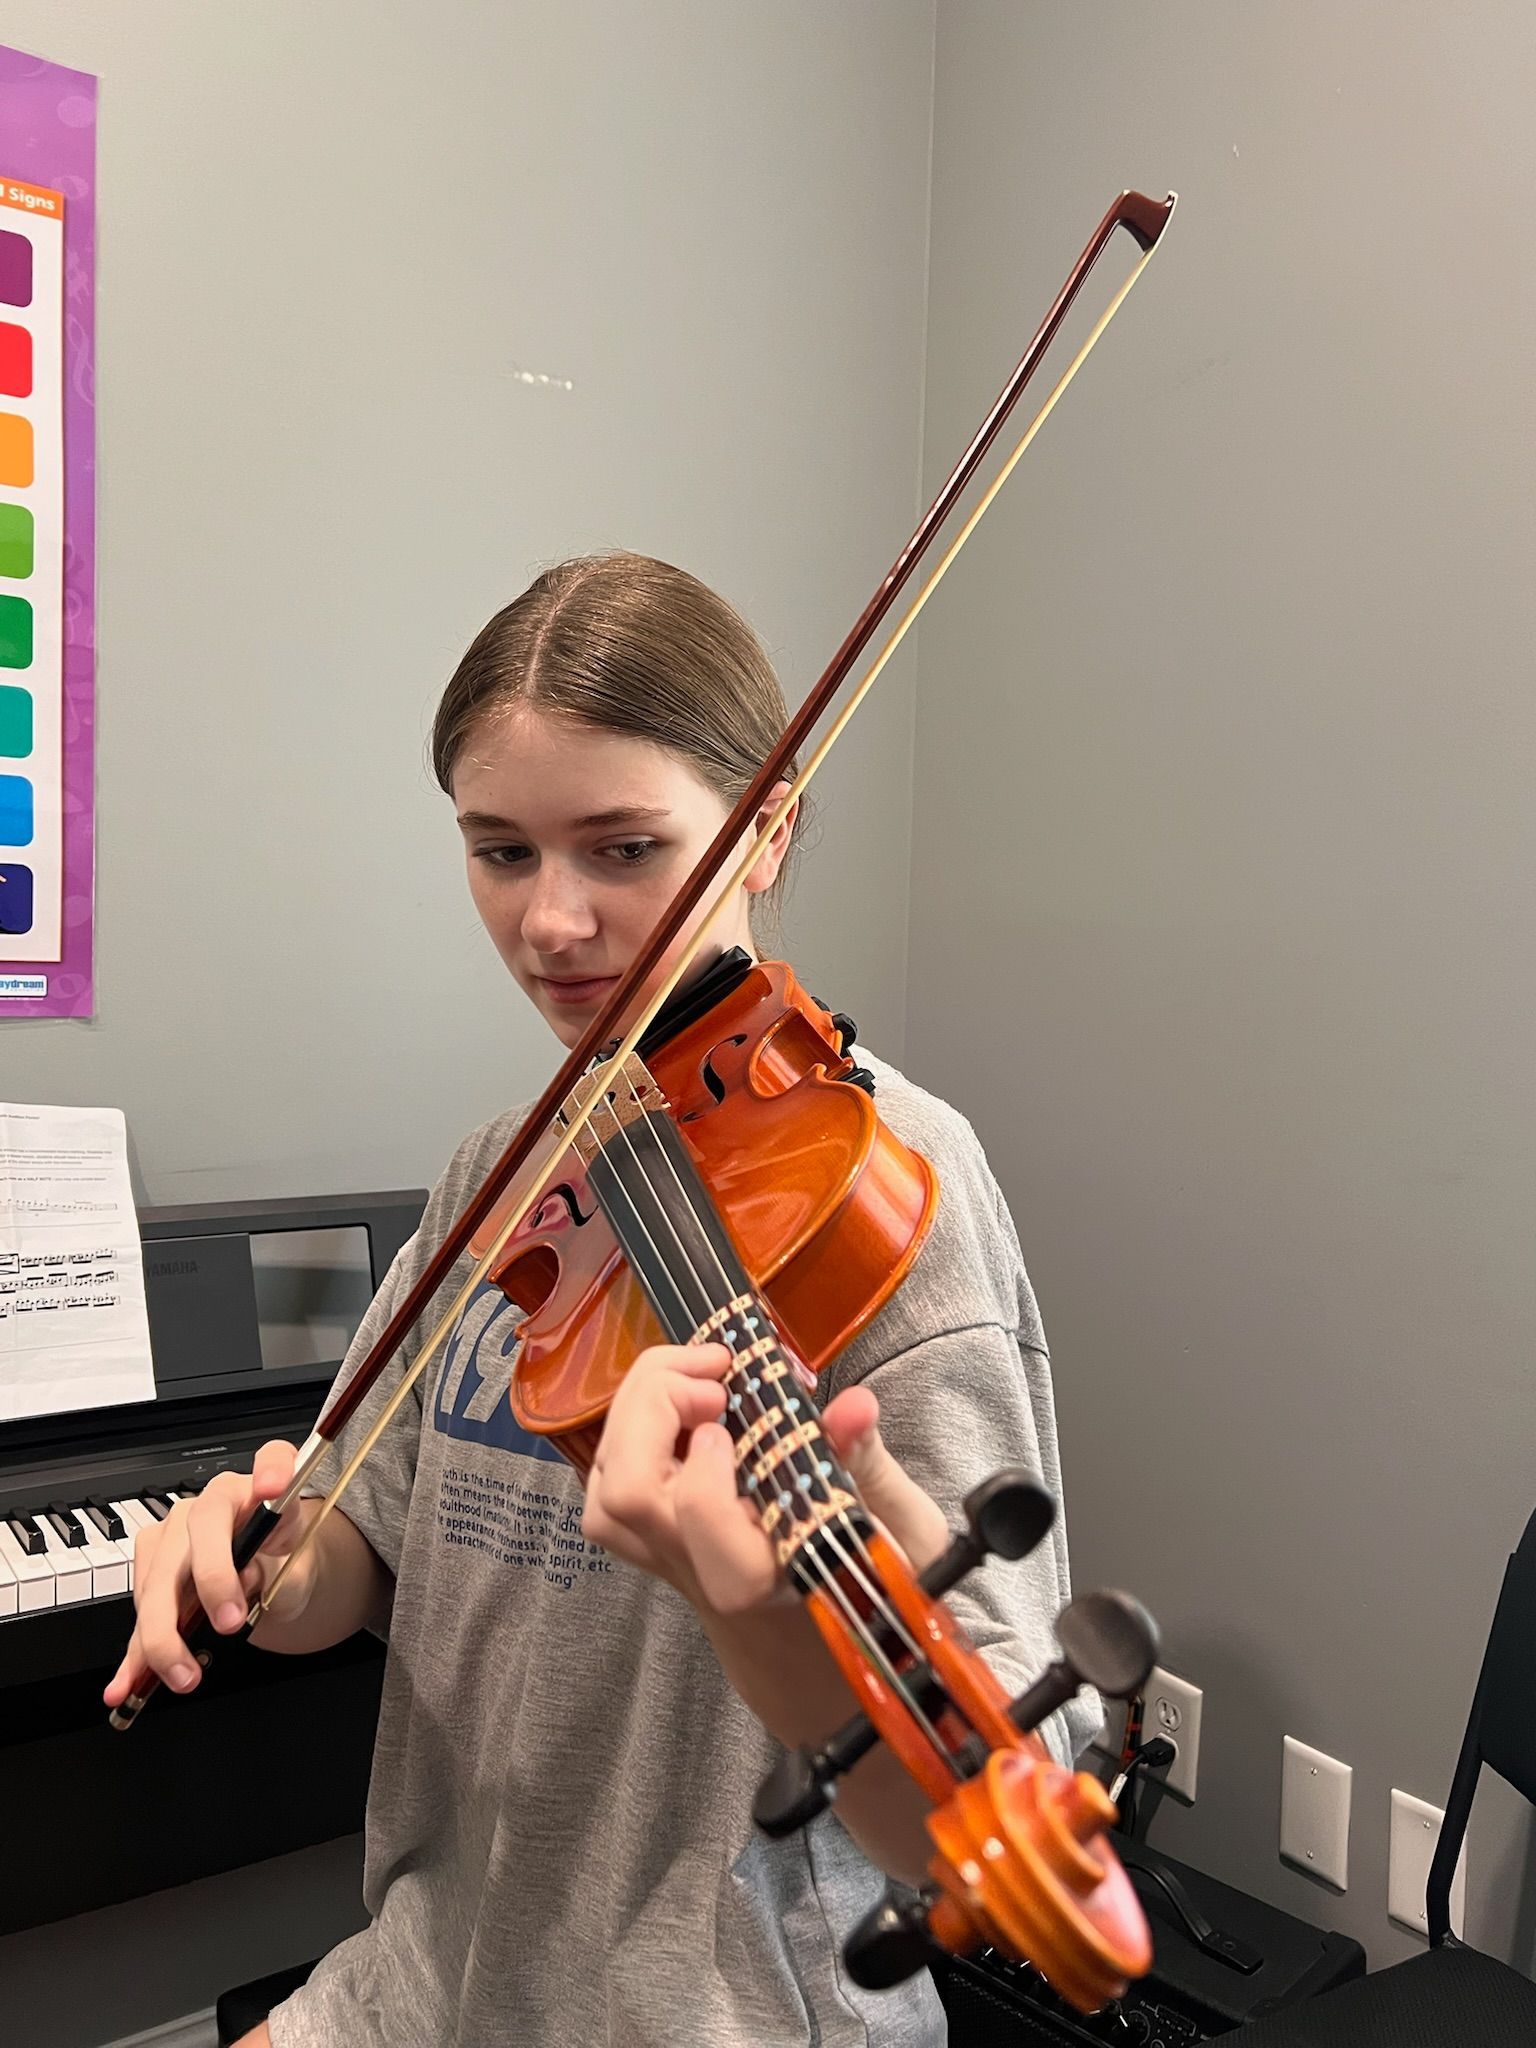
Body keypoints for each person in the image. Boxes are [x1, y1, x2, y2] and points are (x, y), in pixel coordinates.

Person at [106, 553, 1101, 2047]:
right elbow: (353, 1554)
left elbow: (947, 1823)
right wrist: (256, 1568)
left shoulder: (893, 1188)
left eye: (624, 850)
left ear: (765, 827)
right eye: (499, 851)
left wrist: (748, 1600)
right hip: (425, 1980)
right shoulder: (494, 1177)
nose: (550, 924)